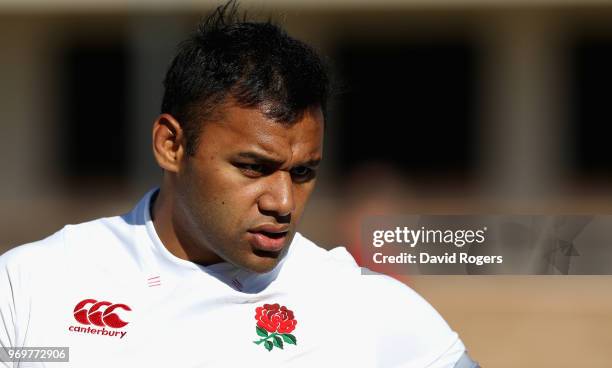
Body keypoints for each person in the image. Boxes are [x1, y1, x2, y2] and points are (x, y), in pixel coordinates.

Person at [0, 2, 478, 367]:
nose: (283, 201)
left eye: (303, 172)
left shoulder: (367, 309)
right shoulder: (35, 286)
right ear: (171, 145)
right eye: (253, 167)